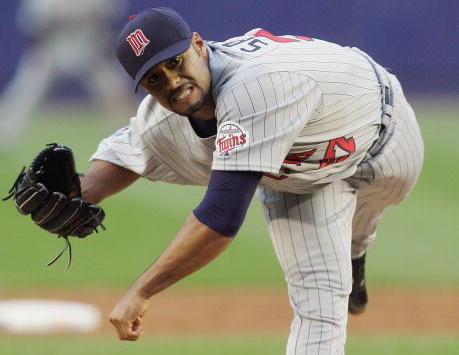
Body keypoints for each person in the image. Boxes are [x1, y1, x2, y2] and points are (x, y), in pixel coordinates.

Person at [80, 7, 423, 354]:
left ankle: (356, 250)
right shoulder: (160, 118)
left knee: (370, 211)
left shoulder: (256, 85)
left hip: (385, 133)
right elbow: (123, 156)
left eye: (175, 62)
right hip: (300, 181)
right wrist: (75, 192)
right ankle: (350, 254)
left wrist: (141, 290)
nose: (172, 82)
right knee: (319, 309)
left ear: (198, 45)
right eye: (154, 78)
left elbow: (221, 217)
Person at [0, 0, 130, 149]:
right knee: (25, 91)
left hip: (90, 47)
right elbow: (31, 24)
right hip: (53, 48)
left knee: (115, 90)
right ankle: (5, 134)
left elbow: (112, 15)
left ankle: (126, 137)